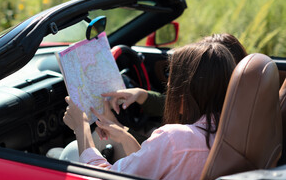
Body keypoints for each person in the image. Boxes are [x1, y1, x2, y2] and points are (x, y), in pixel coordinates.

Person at [63, 42, 236, 180]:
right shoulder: (235, 132)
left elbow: (104, 178)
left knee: (64, 154)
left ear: (184, 93)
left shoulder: (174, 140)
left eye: (172, 80)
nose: (168, 87)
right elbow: (150, 170)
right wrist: (125, 137)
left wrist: (82, 128)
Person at [103, 33, 247, 120]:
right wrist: (142, 95)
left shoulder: (196, 130)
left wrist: (116, 128)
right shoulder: (233, 106)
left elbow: (149, 158)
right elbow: (179, 107)